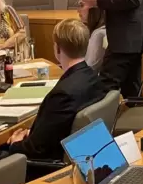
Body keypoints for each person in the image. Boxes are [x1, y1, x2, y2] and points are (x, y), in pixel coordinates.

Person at [7, 19, 108, 161]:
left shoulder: (62, 95)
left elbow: (37, 149)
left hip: (43, 166)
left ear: (58, 49)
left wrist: (15, 144)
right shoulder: (93, 78)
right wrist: (34, 132)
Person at [78, 1, 106, 72]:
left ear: (94, 9)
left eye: (81, 5)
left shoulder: (99, 34)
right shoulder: (101, 30)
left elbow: (90, 67)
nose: (78, 10)